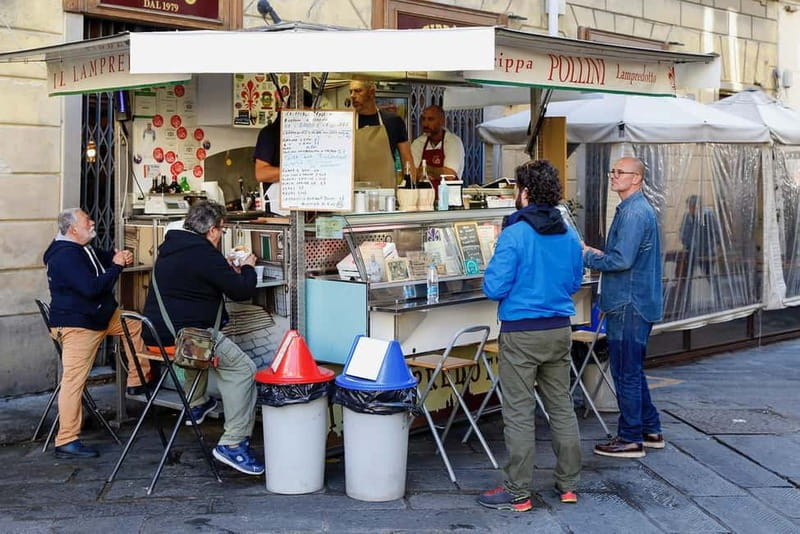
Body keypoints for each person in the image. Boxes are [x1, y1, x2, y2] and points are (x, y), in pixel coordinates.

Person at [478, 160, 583, 512]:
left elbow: (494, 287)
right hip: (558, 329)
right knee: (561, 406)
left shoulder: (515, 233)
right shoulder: (568, 232)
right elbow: (573, 282)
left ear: (524, 192)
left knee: (519, 412)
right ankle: (568, 485)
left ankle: (518, 492)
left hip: (521, 332)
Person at [142, 200, 264, 476]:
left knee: (200, 351)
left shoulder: (170, 248)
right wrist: (247, 267)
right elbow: (241, 291)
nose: (220, 235)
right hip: (187, 340)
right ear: (211, 230)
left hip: (156, 336)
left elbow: (198, 280)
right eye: (221, 230)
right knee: (243, 369)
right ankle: (233, 443)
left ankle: (196, 405)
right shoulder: (203, 254)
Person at [43, 208, 153, 459]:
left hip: (99, 316)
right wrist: (116, 268)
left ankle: (138, 379)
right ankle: (66, 439)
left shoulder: (81, 247)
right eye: (86, 221)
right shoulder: (65, 257)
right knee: (73, 382)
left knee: (134, 325)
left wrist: (117, 257)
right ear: (72, 229)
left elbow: (100, 258)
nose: (92, 222)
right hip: (79, 325)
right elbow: (91, 289)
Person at [583, 157, 664, 458]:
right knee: (633, 369)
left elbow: (621, 261)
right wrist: (600, 253)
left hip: (629, 302)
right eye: (612, 171)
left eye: (620, 172)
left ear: (637, 178)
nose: (613, 176)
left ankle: (630, 438)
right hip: (635, 300)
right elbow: (624, 256)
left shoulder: (633, 212)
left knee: (625, 371)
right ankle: (649, 428)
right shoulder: (635, 209)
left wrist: (588, 257)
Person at [253, 90, 314, 215]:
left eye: (307, 116)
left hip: (309, 207)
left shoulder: (313, 133)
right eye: (300, 115)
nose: (304, 120)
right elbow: (261, 173)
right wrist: (297, 172)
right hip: (278, 211)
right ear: (287, 110)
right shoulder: (270, 134)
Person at [349, 80, 415, 188]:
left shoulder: (393, 121)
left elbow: (407, 158)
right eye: (350, 92)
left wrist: (411, 189)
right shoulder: (346, 122)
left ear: (371, 92)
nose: (353, 96)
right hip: (354, 194)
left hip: (385, 194)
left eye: (358, 91)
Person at [410, 105, 465, 180]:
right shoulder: (418, 142)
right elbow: (412, 173)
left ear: (442, 121)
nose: (425, 124)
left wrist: (427, 170)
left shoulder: (453, 142)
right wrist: (436, 172)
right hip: (423, 191)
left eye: (430, 119)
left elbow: (449, 175)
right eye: (423, 119)